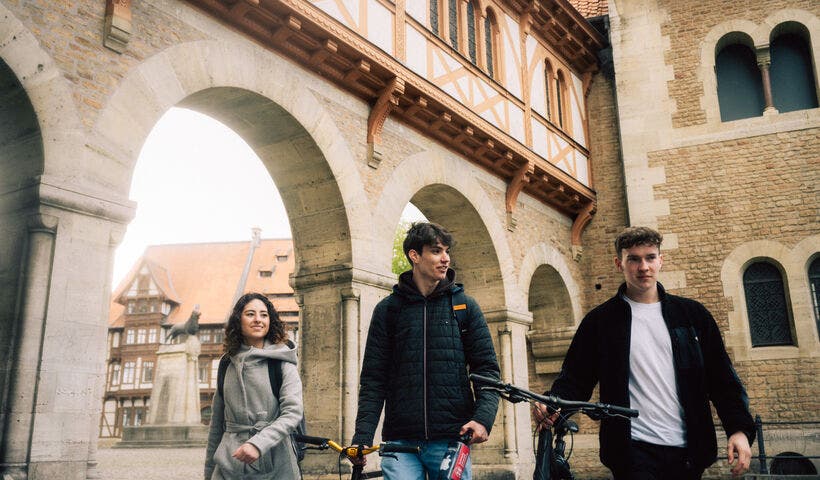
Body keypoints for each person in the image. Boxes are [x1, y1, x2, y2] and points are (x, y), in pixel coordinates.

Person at [534, 226, 755, 479]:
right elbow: (575, 379)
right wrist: (552, 405)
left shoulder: (693, 316)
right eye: (634, 259)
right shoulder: (600, 322)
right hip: (632, 453)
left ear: (661, 260)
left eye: (650, 257)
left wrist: (739, 430)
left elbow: (722, 380)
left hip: (689, 452)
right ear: (619, 263)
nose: (643, 267)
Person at [351, 222, 501, 480]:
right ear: (415, 256)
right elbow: (374, 379)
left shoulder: (464, 306)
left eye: (446, 251)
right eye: (436, 251)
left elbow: (487, 371)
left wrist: (483, 419)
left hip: (451, 438)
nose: (446, 259)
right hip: (400, 441)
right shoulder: (388, 310)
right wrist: (362, 436)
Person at [205, 293, 303, 480]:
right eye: (250, 314)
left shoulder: (281, 362)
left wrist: (258, 444)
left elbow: (293, 413)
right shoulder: (226, 363)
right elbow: (217, 425)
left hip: (276, 462)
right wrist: (208, 473)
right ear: (238, 320)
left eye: (264, 315)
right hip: (229, 464)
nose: (258, 319)